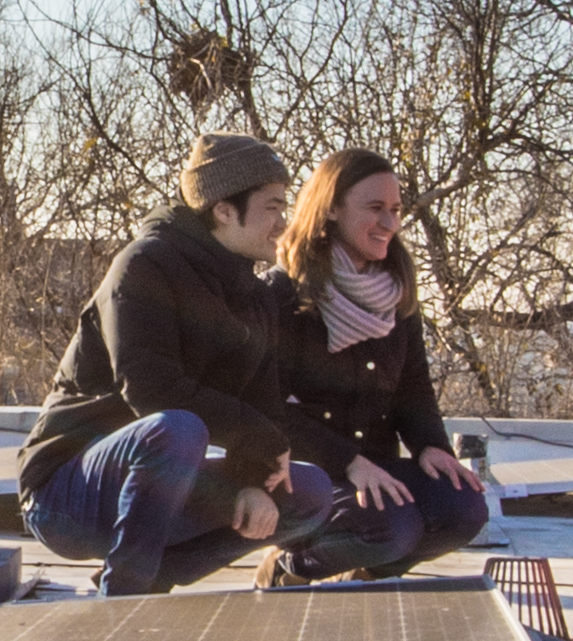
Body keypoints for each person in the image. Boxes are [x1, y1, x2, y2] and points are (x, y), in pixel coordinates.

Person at [19, 133, 348, 596]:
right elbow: (153, 392)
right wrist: (259, 437)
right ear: (223, 209)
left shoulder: (252, 294)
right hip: (65, 494)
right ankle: (121, 601)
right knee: (178, 428)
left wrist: (253, 479)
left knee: (309, 493)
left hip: (154, 487)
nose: (282, 222)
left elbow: (264, 404)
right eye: (272, 207)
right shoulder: (143, 267)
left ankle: (150, 577)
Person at [267, 145, 489, 578]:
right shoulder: (281, 296)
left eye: (396, 209)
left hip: (375, 468)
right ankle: (289, 567)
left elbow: (412, 386)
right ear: (331, 209)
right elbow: (268, 409)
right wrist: (348, 461)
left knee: (463, 507)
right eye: (375, 208)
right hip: (307, 476)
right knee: (392, 529)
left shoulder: (396, 293)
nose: (389, 223)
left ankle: (365, 575)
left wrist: (432, 446)